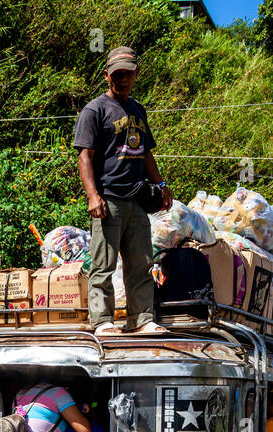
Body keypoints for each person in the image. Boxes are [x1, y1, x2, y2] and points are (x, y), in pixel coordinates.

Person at [73, 45, 172, 334]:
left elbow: (146, 154)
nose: (122, 79)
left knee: (141, 264)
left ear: (135, 74)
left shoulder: (138, 109)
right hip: (108, 200)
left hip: (137, 199)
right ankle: (102, 321)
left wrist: (161, 185)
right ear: (107, 76)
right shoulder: (95, 110)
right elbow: (85, 157)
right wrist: (93, 196)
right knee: (103, 266)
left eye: (127, 74)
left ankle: (142, 319)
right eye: (117, 74)